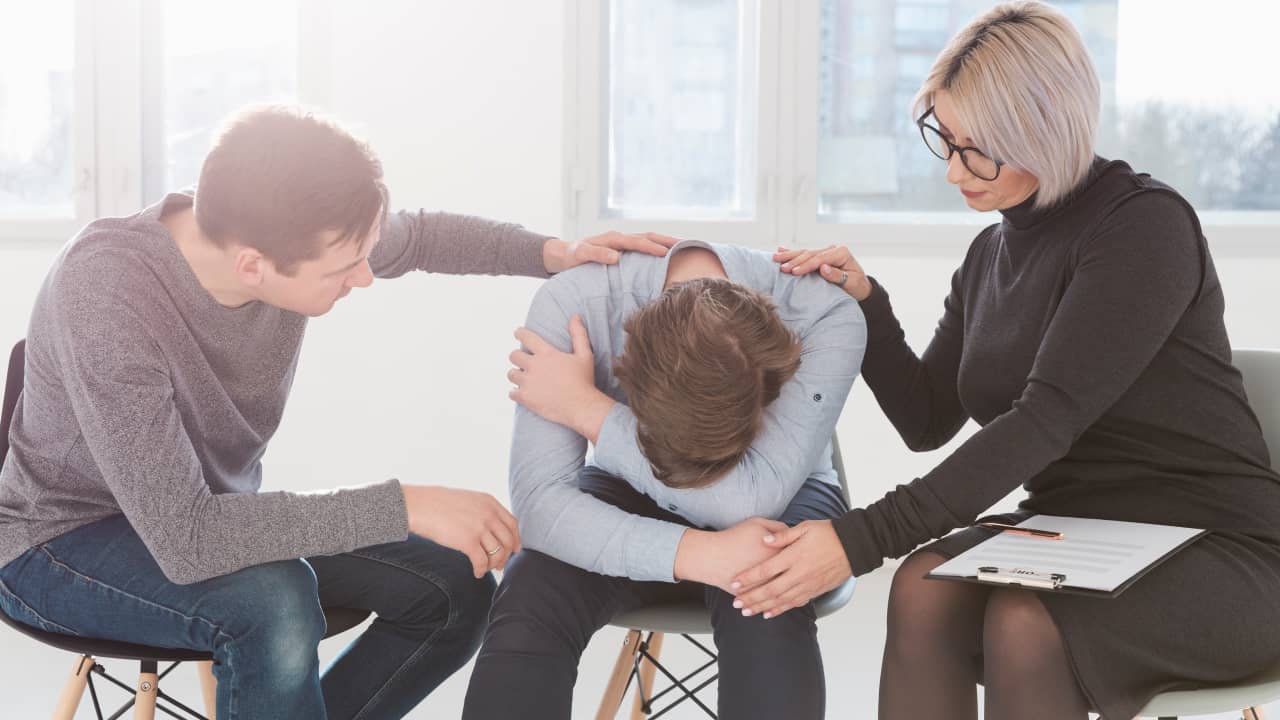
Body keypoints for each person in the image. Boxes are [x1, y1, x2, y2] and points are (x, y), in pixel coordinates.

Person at [0, 105, 675, 719]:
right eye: (345, 268)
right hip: (59, 545)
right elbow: (189, 539)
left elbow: (424, 238)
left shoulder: (292, 224)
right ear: (253, 266)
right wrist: (405, 502)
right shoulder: (109, 295)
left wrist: (557, 255)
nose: (363, 276)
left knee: (453, 585)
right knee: (274, 602)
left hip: (204, 520)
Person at [729, 3, 1280, 719]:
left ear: (1043, 128)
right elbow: (928, 418)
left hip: (1217, 547)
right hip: (1077, 536)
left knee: (1024, 623)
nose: (956, 170)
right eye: (946, 140)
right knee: (926, 585)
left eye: (977, 148)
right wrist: (865, 302)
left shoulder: (1143, 226)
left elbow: (1045, 421)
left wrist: (858, 539)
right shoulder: (991, 253)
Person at [460, 240, 866, 718]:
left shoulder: (825, 311)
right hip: (633, 481)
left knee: (769, 582)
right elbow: (540, 507)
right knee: (535, 582)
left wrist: (588, 409)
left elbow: (751, 498)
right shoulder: (577, 303)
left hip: (781, 490)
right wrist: (702, 554)